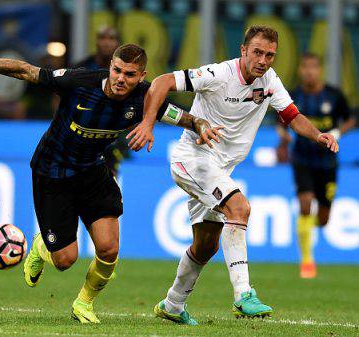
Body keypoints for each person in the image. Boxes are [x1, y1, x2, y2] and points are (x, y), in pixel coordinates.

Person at [0, 44, 222, 324]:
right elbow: (25, 70)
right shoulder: (80, 82)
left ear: (142, 76)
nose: (122, 79)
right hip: (52, 172)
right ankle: (42, 248)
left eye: (130, 74)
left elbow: (182, 117)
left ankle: (83, 303)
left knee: (108, 249)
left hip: (93, 171)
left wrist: (200, 125)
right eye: (118, 70)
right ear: (110, 66)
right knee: (64, 260)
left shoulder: (145, 99)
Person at [127, 26, 339, 325]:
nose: (263, 60)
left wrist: (318, 136)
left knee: (206, 246)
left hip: (220, 168)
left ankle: (172, 304)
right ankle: (243, 294)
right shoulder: (218, 74)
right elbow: (161, 82)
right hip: (193, 158)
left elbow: (292, 116)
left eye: (270, 55)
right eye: (257, 52)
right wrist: (148, 123)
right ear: (243, 50)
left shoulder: (269, 81)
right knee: (239, 208)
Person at [276, 52, 355, 279]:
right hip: (301, 159)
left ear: (319, 70)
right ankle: (307, 261)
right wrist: (284, 135)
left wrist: (338, 131)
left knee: (323, 218)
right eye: (306, 67)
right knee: (304, 202)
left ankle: (311, 226)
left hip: (327, 162)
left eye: (313, 67)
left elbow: (350, 118)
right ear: (301, 70)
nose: (309, 71)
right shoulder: (294, 95)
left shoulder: (334, 95)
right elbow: (280, 122)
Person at [74, 26, 128, 176]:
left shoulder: (128, 73)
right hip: (82, 129)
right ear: (96, 41)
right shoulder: (81, 68)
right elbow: (60, 98)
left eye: (111, 38)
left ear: (118, 44)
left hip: (114, 134)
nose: (106, 43)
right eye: (102, 38)